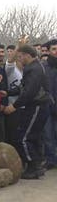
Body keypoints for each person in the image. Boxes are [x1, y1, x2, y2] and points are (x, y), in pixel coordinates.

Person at [3, 45, 52, 179]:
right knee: (33, 136)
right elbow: (23, 87)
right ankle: (37, 165)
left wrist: (14, 106)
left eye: (20, 56)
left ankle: (33, 166)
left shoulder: (34, 69)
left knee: (23, 138)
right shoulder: (34, 67)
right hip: (39, 105)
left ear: (27, 55)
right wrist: (8, 92)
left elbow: (29, 92)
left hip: (37, 105)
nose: (19, 59)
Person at [4, 44, 23, 147]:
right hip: (12, 107)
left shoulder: (25, 70)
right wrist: (19, 46)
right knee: (13, 136)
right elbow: (11, 60)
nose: (20, 58)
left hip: (23, 106)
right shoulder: (10, 68)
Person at [42, 39, 57, 169]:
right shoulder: (44, 67)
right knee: (48, 134)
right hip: (47, 105)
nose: (56, 52)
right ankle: (50, 160)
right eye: (53, 49)